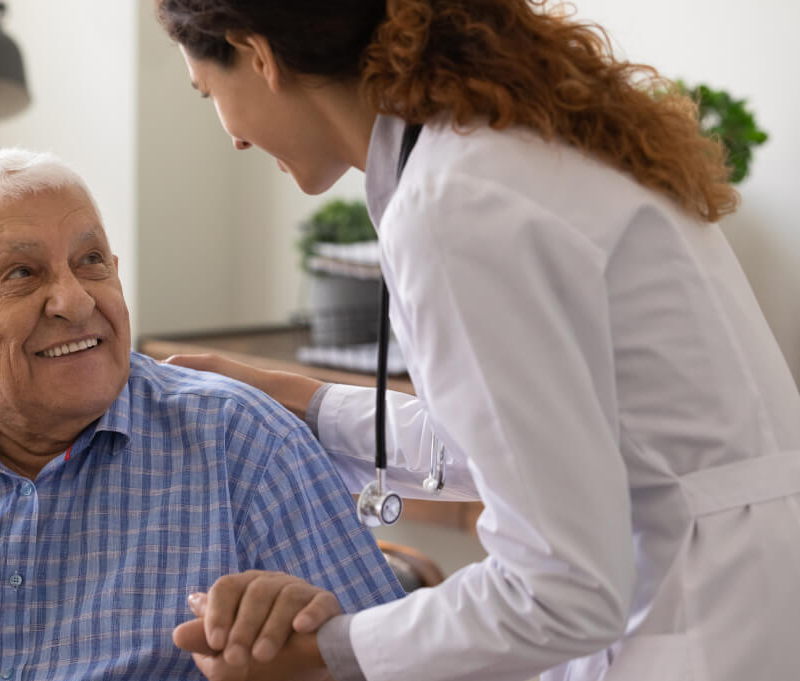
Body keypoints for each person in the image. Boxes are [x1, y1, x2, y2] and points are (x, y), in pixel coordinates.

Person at [154, 1, 800, 680]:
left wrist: (324, 650)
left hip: (706, 620)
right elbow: (533, 439)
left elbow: (559, 590)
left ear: (258, 55)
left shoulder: (451, 203)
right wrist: (311, 405)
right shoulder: (506, 149)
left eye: (208, 94)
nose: (232, 136)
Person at [0, 149, 403, 681]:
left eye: (91, 262)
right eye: (21, 273)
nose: (72, 300)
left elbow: (395, 668)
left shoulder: (242, 444)